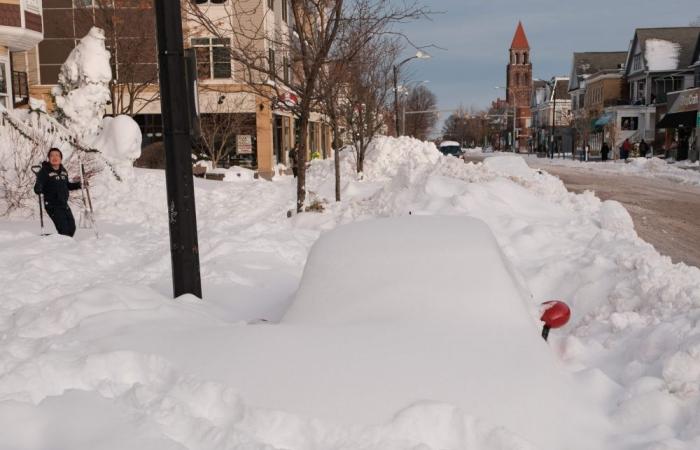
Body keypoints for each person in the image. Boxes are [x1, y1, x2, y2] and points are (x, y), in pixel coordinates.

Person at [33, 148, 82, 237]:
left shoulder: (63, 171)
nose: (54, 157)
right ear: (49, 158)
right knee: (64, 230)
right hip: (52, 205)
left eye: (57, 155)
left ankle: (56, 241)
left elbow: (67, 185)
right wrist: (38, 188)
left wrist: (79, 185)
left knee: (72, 228)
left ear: (60, 158)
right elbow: (38, 185)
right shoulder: (44, 171)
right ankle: (62, 247)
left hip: (63, 203)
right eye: (52, 155)